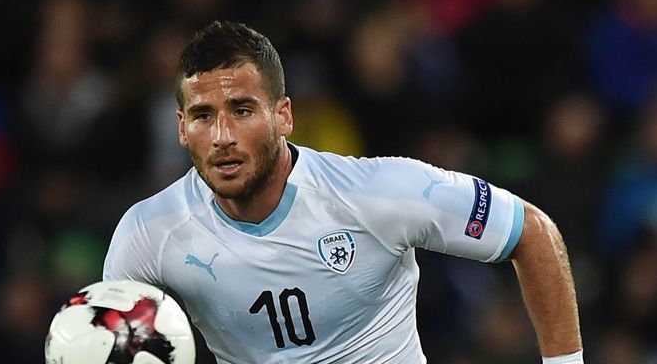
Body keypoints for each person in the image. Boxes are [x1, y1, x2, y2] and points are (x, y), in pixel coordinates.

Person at [103, 21, 583, 363]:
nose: (223, 136)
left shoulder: (378, 193)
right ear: (182, 128)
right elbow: (107, 343)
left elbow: (530, 231)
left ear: (284, 116)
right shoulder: (148, 235)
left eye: (243, 110)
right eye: (204, 115)